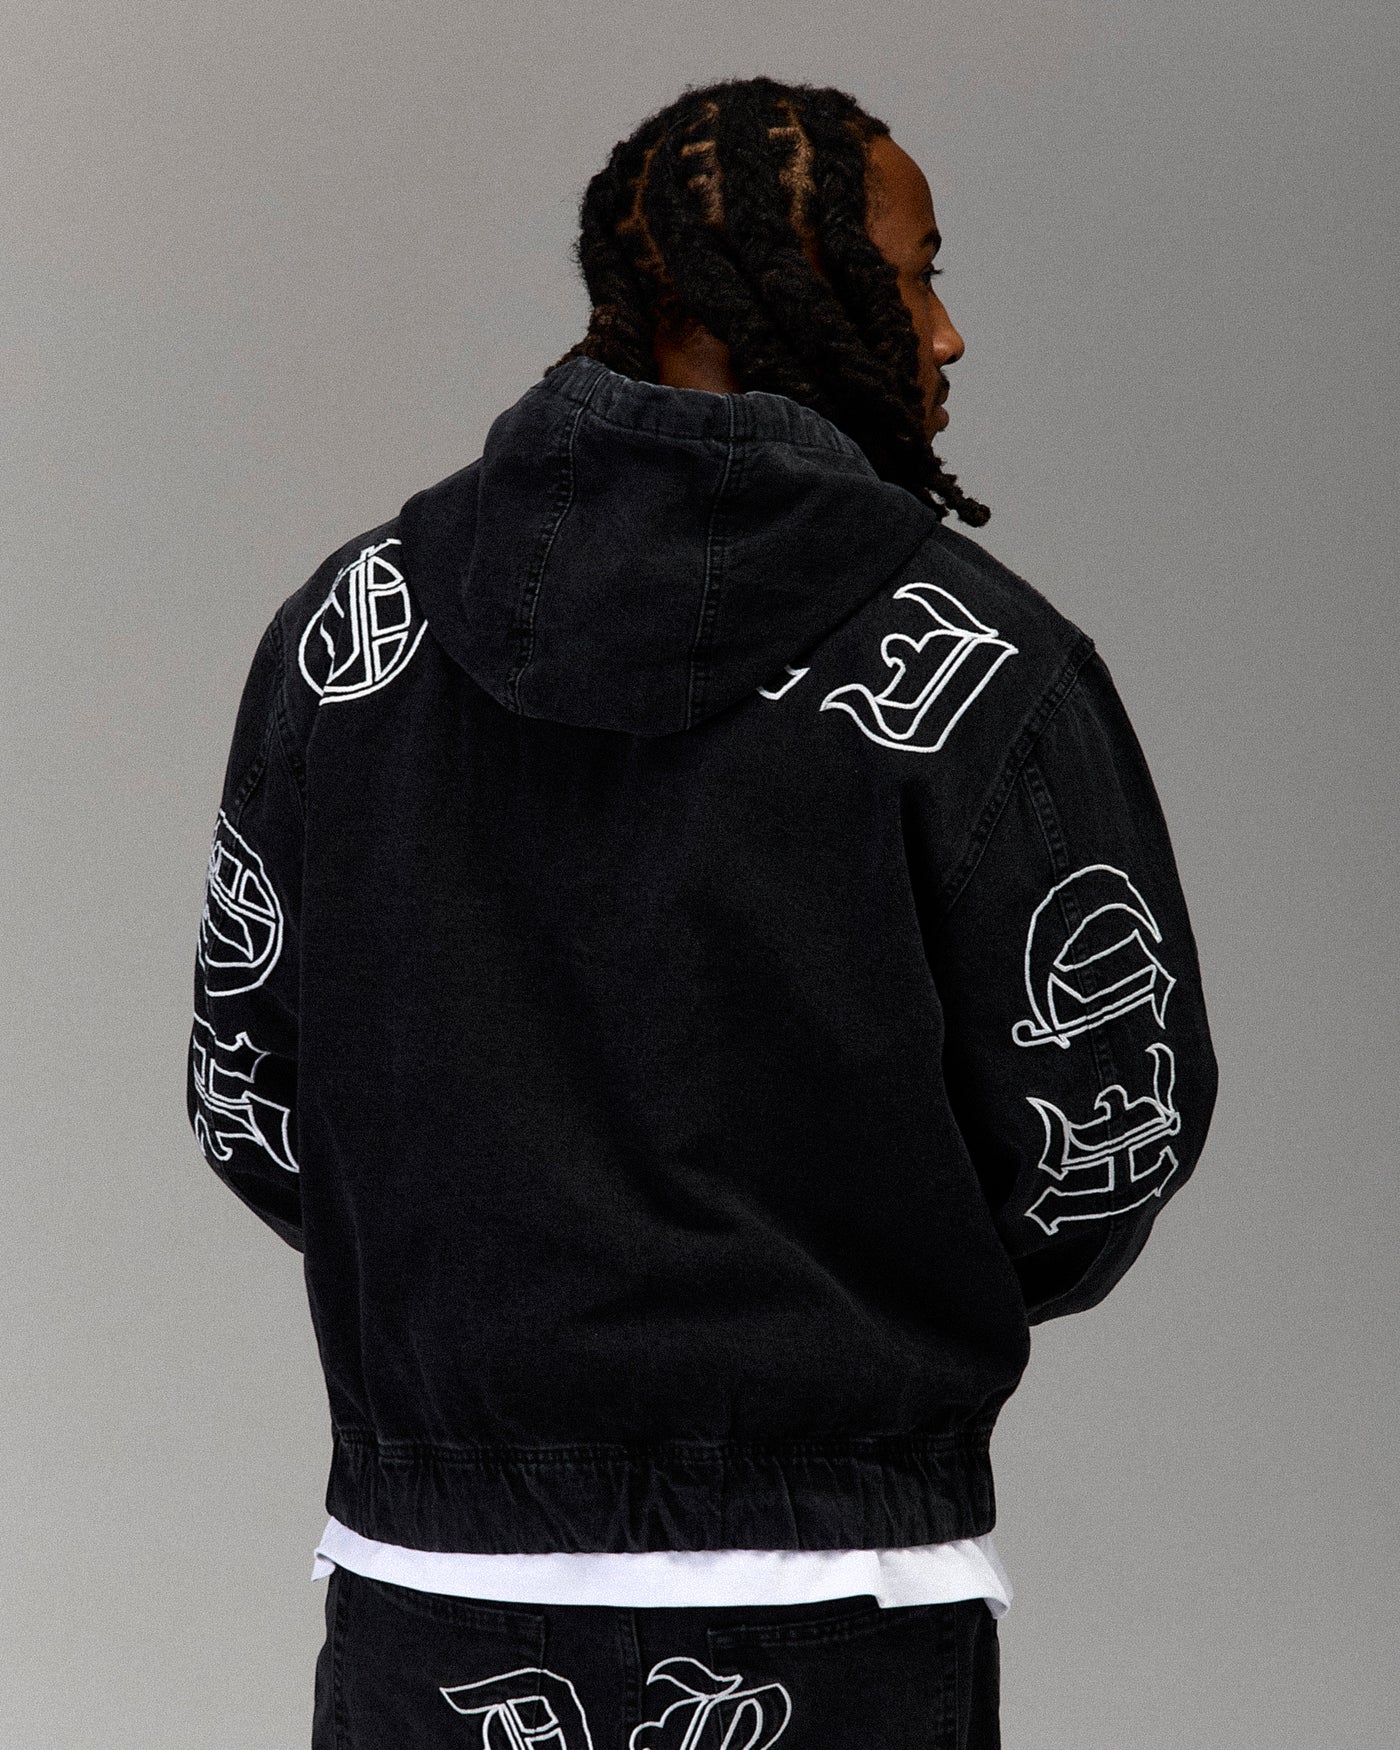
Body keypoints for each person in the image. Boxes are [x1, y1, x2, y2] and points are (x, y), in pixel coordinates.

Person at [187, 74, 1218, 1749]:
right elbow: (1111, 1133)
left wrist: (481, 1274)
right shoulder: (980, 667)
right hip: (846, 1593)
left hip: (433, 1587)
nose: (947, 334)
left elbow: (248, 1096)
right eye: (909, 277)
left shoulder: (350, 636)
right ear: (719, 311)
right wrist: (850, 1306)